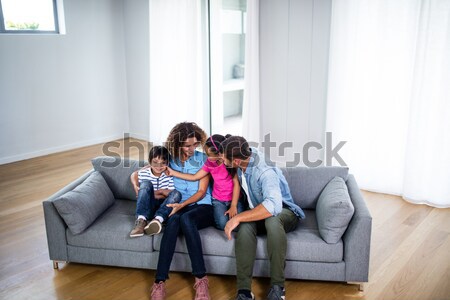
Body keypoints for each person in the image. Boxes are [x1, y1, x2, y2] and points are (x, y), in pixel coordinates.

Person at [220, 136, 306, 300]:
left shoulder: (263, 170)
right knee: (245, 228)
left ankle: (277, 288)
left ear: (237, 161)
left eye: (224, 157)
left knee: (272, 221)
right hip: (259, 211)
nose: (222, 160)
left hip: (284, 211)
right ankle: (244, 291)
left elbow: (274, 206)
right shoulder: (243, 157)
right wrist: (239, 215)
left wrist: (237, 218)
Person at [149, 122, 215, 300]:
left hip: (203, 206)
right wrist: (135, 181)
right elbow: (147, 170)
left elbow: (202, 192)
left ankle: (201, 281)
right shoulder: (169, 160)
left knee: (185, 219)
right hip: (179, 204)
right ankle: (159, 282)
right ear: (177, 144)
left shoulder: (204, 160)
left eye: (195, 144)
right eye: (187, 145)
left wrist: (182, 205)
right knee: (174, 221)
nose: (192, 148)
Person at [166, 134, 244, 230]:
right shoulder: (209, 163)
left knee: (238, 225)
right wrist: (173, 173)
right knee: (222, 224)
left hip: (234, 199)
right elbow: (195, 177)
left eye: (208, 154)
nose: (206, 157)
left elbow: (237, 184)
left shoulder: (229, 163)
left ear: (219, 153)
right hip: (218, 200)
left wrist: (233, 206)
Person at [129, 146, 181, 238]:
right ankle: (141, 221)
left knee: (177, 194)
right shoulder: (144, 173)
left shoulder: (168, 175)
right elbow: (135, 176)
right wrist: (138, 187)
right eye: (155, 162)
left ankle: (157, 220)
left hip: (163, 207)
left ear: (167, 163)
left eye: (163, 163)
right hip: (147, 207)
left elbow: (170, 195)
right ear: (149, 162)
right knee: (145, 184)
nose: (159, 166)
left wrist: (149, 193)